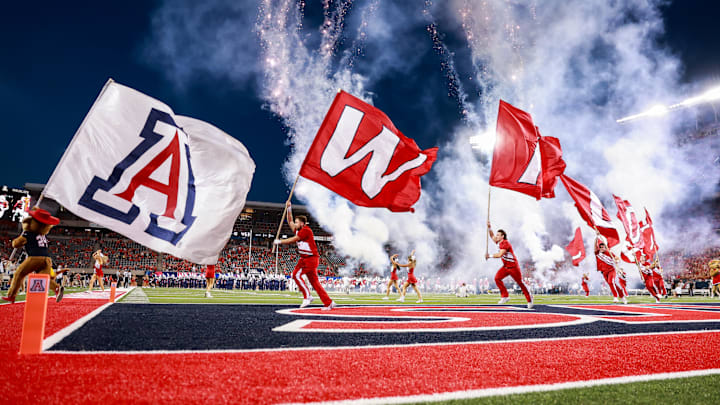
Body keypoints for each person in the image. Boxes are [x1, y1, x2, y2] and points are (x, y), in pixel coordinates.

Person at [274, 201, 335, 310]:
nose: (295, 224)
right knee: (315, 283)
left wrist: (280, 242)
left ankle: (308, 296)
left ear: (302, 223)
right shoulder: (298, 230)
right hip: (304, 259)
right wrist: (289, 209)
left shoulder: (306, 231)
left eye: (297, 223)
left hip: (310, 259)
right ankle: (328, 302)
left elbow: (294, 240)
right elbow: (290, 221)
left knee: (296, 275)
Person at [485, 221, 533, 309]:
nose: (496, 236)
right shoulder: (499, 242)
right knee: (497, 278)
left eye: (498, 235)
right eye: (497, 235)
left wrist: (490, 256)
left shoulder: (505, 243)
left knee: (520, 283)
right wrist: (489, 227)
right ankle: (505, 296)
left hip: (513, 267)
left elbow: (500, 255)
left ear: (502, 236)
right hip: (505, 267)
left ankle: (529, 299)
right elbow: (492, 236)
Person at [593, 236, 627, 304]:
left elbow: (617, 258)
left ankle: (615, 296)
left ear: (605, 247)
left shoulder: (609, 253)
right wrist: (596, 239)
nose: (601, 248)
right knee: (612, 284)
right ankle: (622, 296)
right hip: (604, 272)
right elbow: (595, 247)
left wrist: (616, 260)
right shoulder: (597, 253)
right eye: (600, 247)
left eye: (603, 247)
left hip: (611, 270)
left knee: (611, 282)